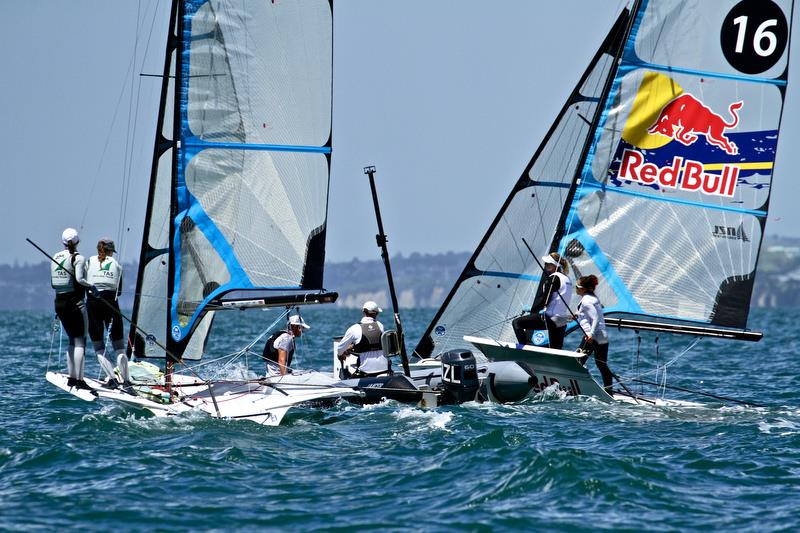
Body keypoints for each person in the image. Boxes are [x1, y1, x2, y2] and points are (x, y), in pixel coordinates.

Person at [50, 227, 94, 390]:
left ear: (63, 242)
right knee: (80, 341)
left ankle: (71, 378)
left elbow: (54, 283)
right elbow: (80, 279)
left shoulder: (55, 257)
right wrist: (92, 287)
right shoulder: (79, 258)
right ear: (77, 242)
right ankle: (79, 380)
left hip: (59, 303)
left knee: (71, 340)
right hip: (75, 303)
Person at [86, 238, 131, 386]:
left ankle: (112, 379)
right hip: (111, 302)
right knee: (119, 346)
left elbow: (82, 283)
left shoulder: (89, 262)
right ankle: (126, 381)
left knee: (99, 346)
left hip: (93, 303)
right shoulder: (117, 266)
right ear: (110, 251)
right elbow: (119, 292)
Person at [512, 252, 572, 349]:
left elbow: (545, 300)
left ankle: (525, 350)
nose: (545, 265)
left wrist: (532, 310)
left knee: (517, 323)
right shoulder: (567, 279)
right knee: (555, 350)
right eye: (545, 264)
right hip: (562, 320)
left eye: (548, 264)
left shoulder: (553, 278)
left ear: (555, 265)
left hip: (550, 318)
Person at [575, 275, 612, 394]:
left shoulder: (586, 300)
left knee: (577, 362)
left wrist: (590, 334)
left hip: (592, 336)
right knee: (601, 365)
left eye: (577, 286)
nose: (575, 288)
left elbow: (595, 317)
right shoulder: (592, 298)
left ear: (582, 289)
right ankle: (609, 390)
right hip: (602, 335)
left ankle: (578, 387)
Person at [336, 301, 390, 376]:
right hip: (384, 369)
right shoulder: (380, 326)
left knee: (344, 359)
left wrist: (341, 354)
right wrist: (352, 347)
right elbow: (372, 343)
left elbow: (340, 348)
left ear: (363, 312)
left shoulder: (354, 328)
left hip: (365, 372)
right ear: (376, 313)